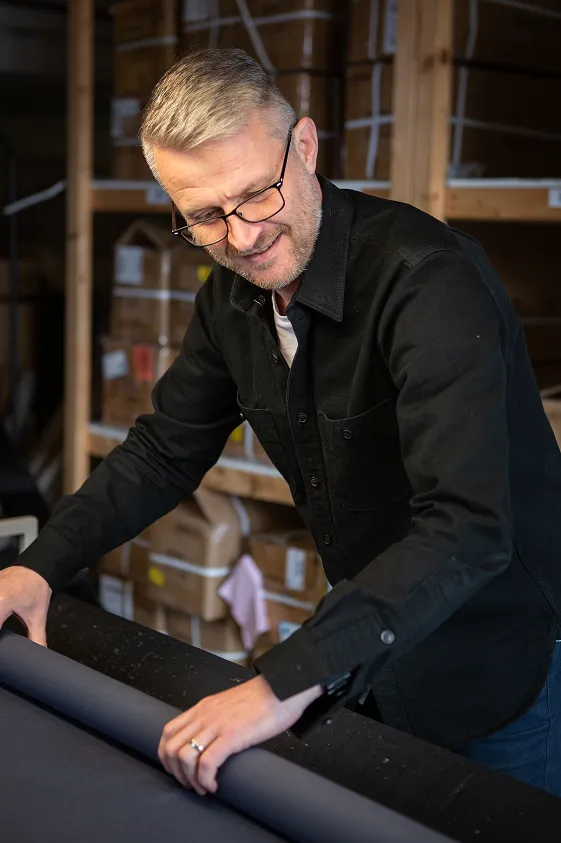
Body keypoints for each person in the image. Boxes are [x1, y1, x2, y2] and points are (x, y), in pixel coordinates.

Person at [1, 47, 561, 798]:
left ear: (303, 146)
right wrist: (39, 564)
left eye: (255, 195)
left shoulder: (427, 281)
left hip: (497, 663)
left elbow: (463, 526)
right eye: (203, 215)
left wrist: (279, 685)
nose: (239, 236)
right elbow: (163, 450)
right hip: (369, 647)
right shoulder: (231, 295)